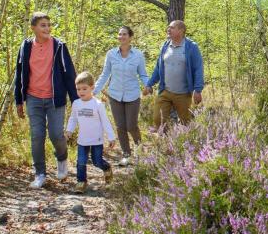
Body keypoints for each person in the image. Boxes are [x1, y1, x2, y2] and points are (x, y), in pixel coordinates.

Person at [14, 12, 78, 189]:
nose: (47, 28)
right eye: (43, 25)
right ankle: (40, 174)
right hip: (33, 98)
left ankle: (62, 159)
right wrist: (18, 100)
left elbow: (69, 73)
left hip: (54, 99)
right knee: (37, 136)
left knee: (57, 134)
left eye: (49, 25)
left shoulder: (59, 46)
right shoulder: (25, 47)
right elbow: (19, 74)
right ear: (33, 28)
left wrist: (76, 101)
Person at [93, 25, 148, 166]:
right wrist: (94, 90)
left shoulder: (138, 55)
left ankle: (140, 149)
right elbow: (105, 74)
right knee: (120, 126)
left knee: (131, 125)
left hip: (132, 94)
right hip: (115, 95)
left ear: (130, 37)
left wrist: (148, 85)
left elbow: (142, 74)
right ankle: (126, 155)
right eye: (119, 34)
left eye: (124, 34)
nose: (121, 36)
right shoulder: (111, 54)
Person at [143, 20, 204, 128]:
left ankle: (186, 142)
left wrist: (198, 90)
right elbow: (158, 68)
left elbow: (198, 69)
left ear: (181, 30)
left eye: (171, 27)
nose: (168, 29)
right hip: (165, 91)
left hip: (183, 93)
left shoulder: (191, 47)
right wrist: (149, 84)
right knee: (158, 120)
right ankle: (167, 141)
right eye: (168, 27)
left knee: (186, 124)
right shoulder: (165, 46)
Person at [65, 71, 116, 194]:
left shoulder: (97, 105)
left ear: (92, 88)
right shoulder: (76, 104)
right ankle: (81, 181)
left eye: (84, 88)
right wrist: (69, 131)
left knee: (97, 161)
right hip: (83, 140)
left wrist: (111, 137)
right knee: (81, 161)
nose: (81, 92)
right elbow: (73, 118)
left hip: (96, 139)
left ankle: (107, 168)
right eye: (78, 89)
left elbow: (105, 121)